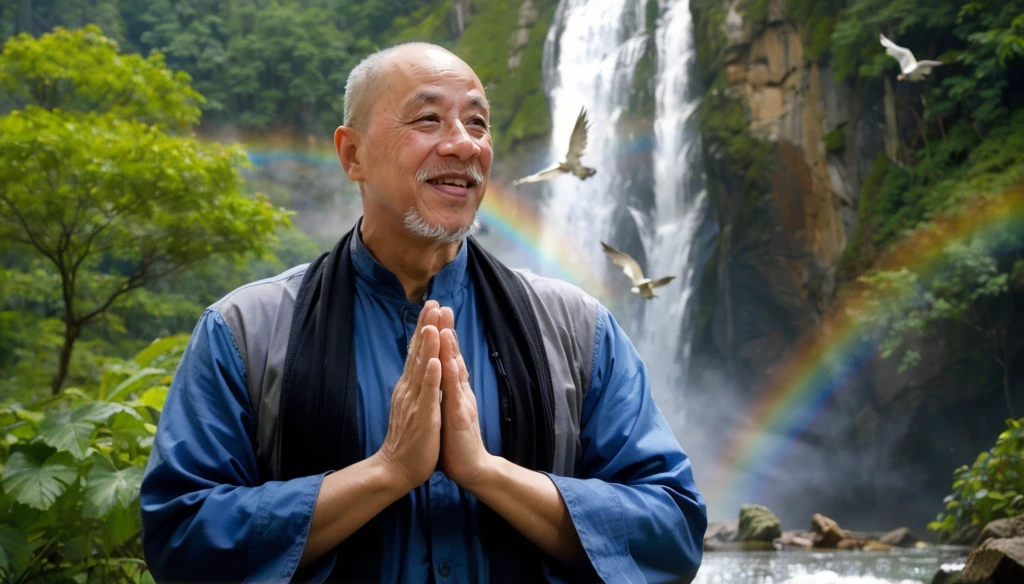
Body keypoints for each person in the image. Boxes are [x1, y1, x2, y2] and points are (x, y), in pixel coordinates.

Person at [140, 41, 707, 584]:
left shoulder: (578, 330)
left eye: (477, 123)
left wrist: (487, 473)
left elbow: (674, 528)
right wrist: (385, 472)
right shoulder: (245, 332)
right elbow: (182, 536)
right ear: (351, 153)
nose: (463, 144)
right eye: (429, 120)